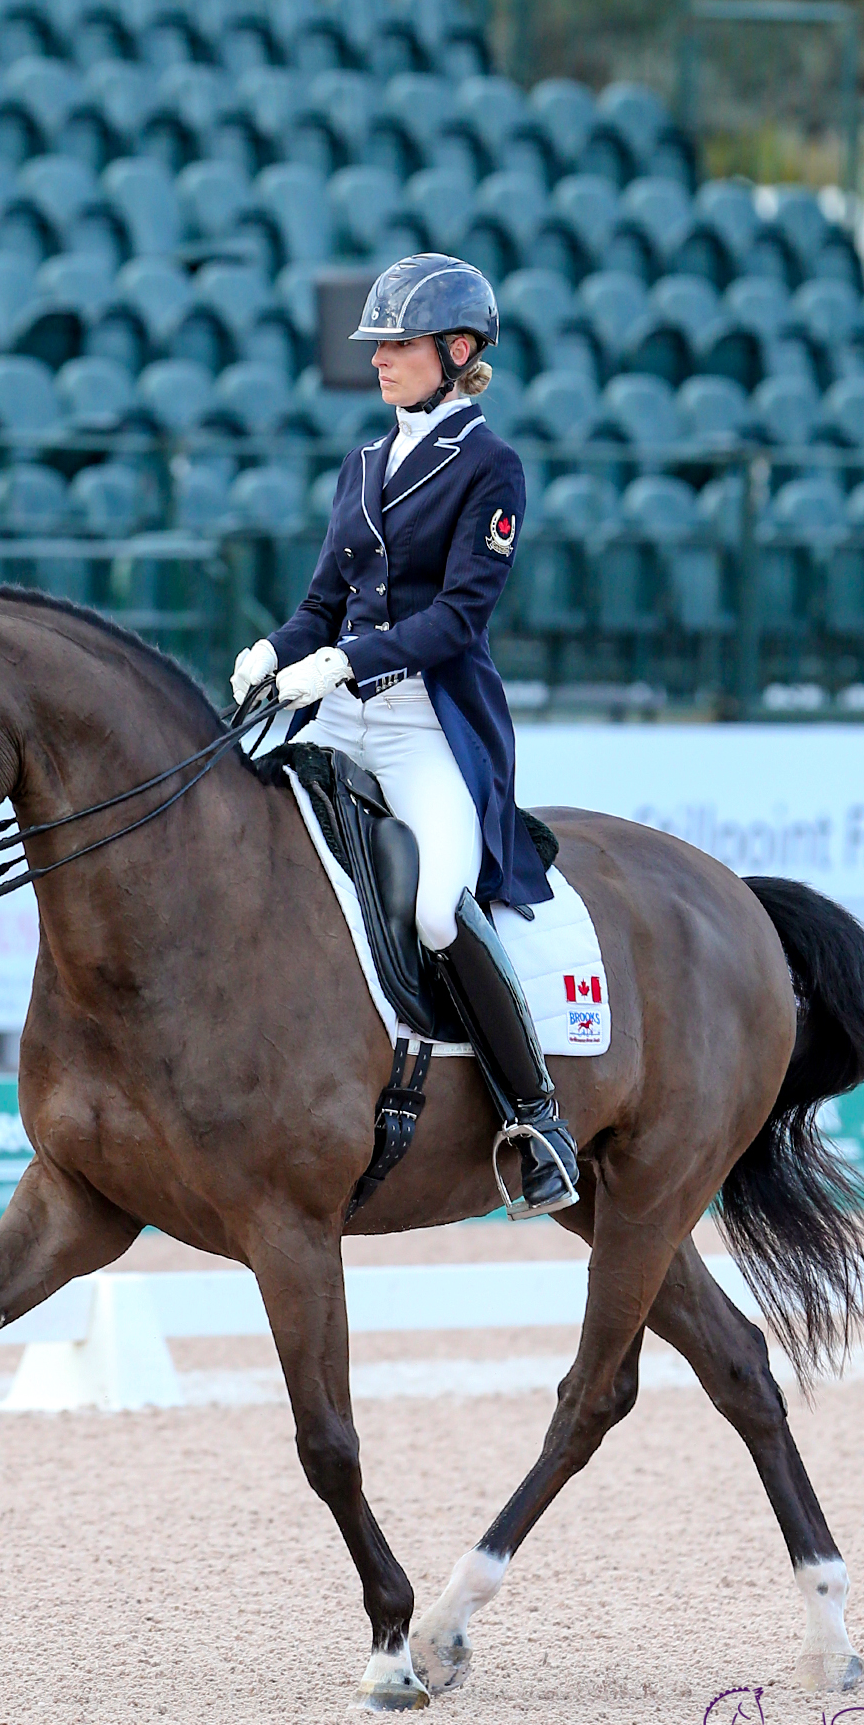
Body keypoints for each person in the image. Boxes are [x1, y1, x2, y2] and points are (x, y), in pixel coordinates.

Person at [230, 253, 579, 1214]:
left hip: (424, 718)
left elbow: (459, 617)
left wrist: (344, 661)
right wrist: (274, 651)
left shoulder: (490, 468)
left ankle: (536, 1115)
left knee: (434, 911)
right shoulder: (362, 464)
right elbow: (322, 604)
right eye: (377, 346)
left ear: (457, 352)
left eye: (399, 345)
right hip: (338, 714)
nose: (379, 360)